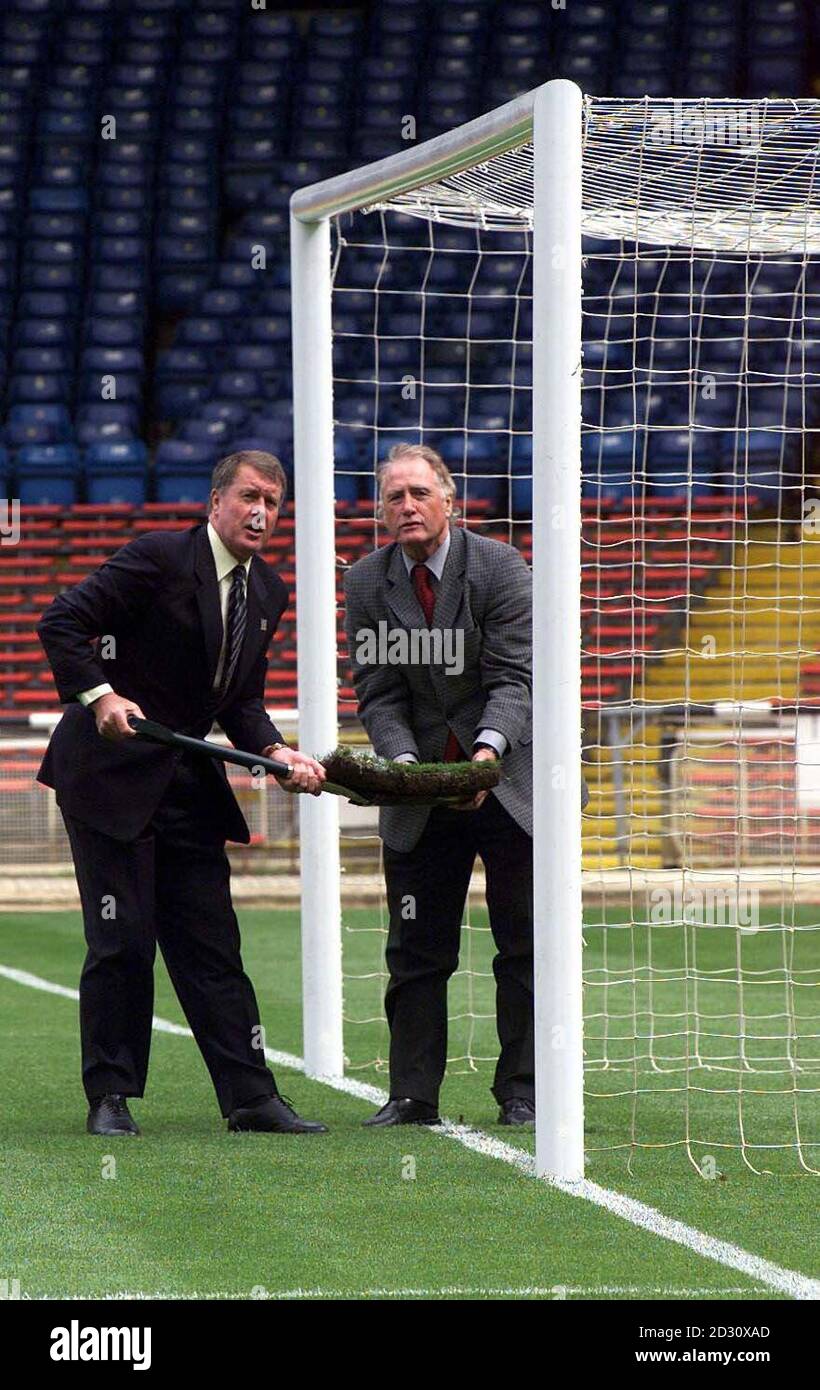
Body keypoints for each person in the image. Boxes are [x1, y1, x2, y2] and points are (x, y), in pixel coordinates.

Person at [36, 450, 328, 1137]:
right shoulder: (158, 557)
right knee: (123, 938)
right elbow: (62, 621)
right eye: (250, 497)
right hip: (107, 778)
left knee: (212, 943)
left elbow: (243, 700)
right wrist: (99, 693)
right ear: (216, 501)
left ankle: (251, 1098)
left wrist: (274, 750)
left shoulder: (269, 593)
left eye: (274, 504)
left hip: (186, 785)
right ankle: (110, 1096)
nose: (262, 512)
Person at [344, 442, 584, 1128]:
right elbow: (378, 693)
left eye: (420, 492)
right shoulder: (365, 583)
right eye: (395, 496)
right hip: (422, 796)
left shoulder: (502, 568)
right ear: (382, 510)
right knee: (415, 950)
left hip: (512, 783)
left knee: (524, 942)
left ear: (450, 500)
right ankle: (413, 1096)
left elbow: (516, 679)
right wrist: (406, 766)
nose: (408, 505)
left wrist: (483, 756)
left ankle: (525, 1090)